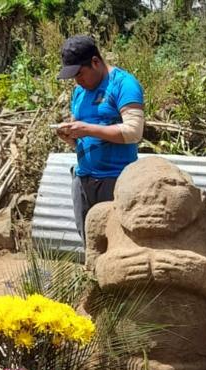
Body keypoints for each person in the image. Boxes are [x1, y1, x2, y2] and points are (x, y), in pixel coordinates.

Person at [54, 35, 145, 243]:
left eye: (80, 74)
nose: (77, 81)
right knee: (91, 245)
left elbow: (134, 131)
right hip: (83, 179)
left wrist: (88, 129)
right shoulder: (79, 92)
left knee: (118, 244)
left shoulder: (124, 84)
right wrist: (69, 135)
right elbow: (81, 136)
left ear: (96, 62)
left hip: (116, 180)